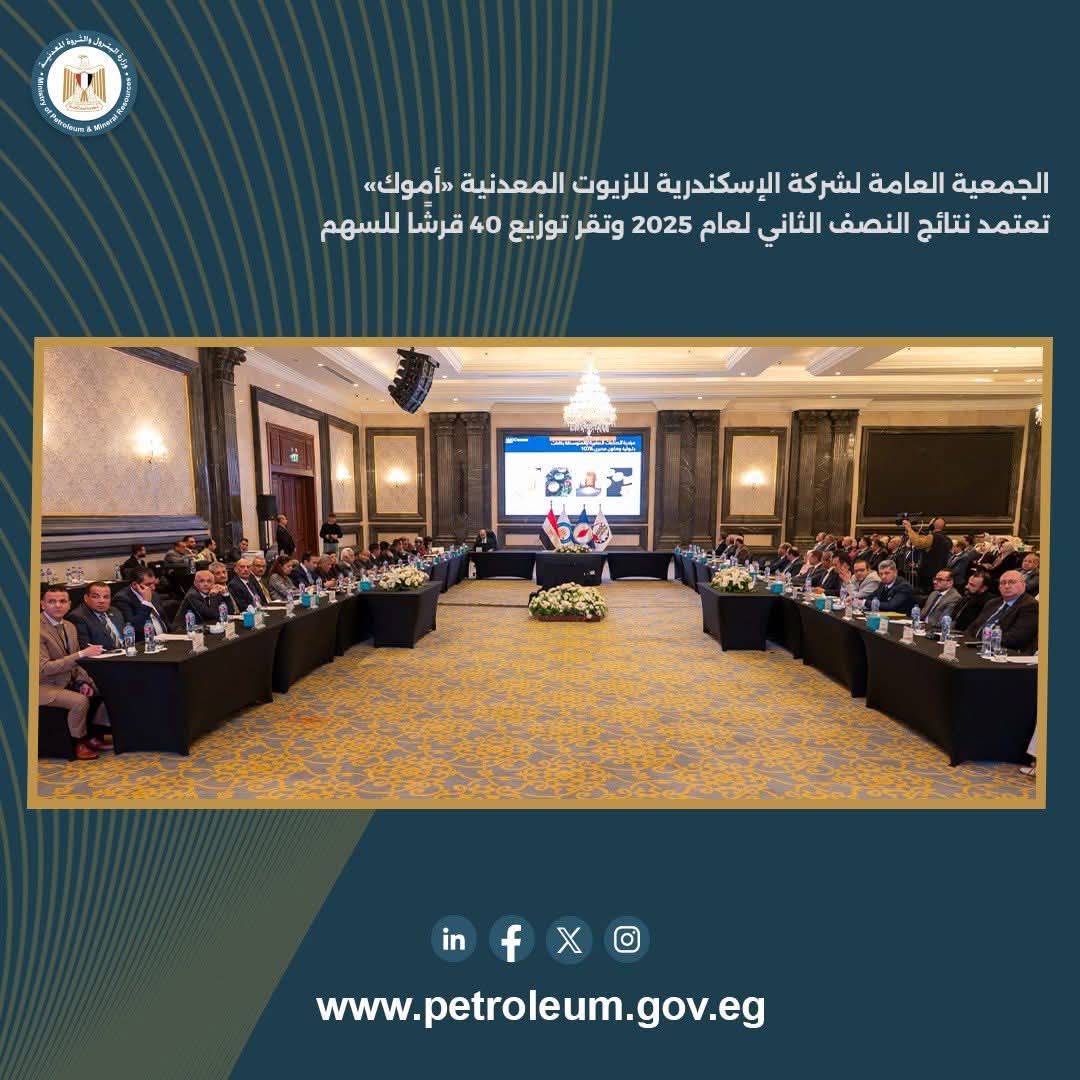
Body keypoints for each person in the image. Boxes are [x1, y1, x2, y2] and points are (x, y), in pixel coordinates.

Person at [39, 586, 110, 759]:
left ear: (69, 604)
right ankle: (78, 743)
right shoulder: (35, 629)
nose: (58, 605)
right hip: (40, 685)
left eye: (62, 601)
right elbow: (44, 668)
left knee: (101, 687)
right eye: (52, 601)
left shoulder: (69, 626)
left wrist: (83, 681)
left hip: (65, 679)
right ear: (42, 604)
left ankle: (94, 735)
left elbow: (75, 664)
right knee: (79, 701)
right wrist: (81, 654)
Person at [966, 570, 1039, 653]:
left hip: (1002, 651)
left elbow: (1017, 638)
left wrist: (983, 642)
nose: (1007, 586)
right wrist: (965, 639)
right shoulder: (992, 602)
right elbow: (974, 626)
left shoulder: (1030, 605)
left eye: (1012, 582)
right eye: (1003, 583)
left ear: (1023, 585)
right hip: (974, 645)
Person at [113, 567, 170, 640]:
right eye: (148, 584)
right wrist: (146, 602)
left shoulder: (154, 595)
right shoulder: (122, 599)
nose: (153, 588)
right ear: (134, 585)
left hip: (166, 638)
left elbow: (164, 620)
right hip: (145, 642)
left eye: (153, 583)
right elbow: (135, 627)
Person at [69, 582, 127, 651]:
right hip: (105, 656)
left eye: (106, 597)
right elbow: (86, 647)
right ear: (86, 598)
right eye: (95, 597)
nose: (102, 601)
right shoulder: (78, 617)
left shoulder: (115, 611)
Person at [901, 516, 952, 594]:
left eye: (930, 523)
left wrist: (909, 528)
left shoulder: (933, 537)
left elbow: (918, 543)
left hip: (928, 576)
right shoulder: (948, 540)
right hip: (940, 573)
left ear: (933, 525)